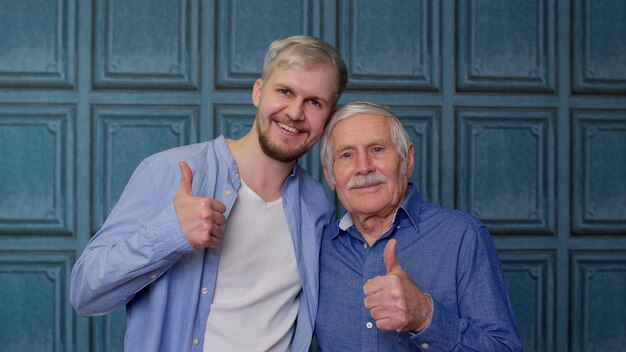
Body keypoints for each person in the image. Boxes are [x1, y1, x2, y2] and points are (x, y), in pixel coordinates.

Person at [70, 35, 348, 351]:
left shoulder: (318, 207)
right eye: (284, 91)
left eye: (314, 102)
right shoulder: (168, 172)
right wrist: (170, 233)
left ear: (329, 116)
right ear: (258, 92)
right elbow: (85, 294)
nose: (295, 113)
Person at [314, 102, 522, 351]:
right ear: (329, 174)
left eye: (377, 149)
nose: (363, 166)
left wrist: (425, 316)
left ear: (407, 158)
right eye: (347, 154)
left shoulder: (462, 236)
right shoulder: (317, 246)